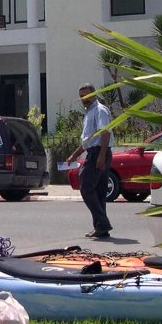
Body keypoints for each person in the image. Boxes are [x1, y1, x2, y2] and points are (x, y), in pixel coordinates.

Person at [67, 83, 113, 239]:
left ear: (94, 94)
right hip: (94, 151)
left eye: (86, 95)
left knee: (85, 186)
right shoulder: (89, 113)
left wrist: (101, 156)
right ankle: (101, 228)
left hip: (99, 153)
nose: (83, 99)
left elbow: (105, 133)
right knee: (99, 191)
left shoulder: (100, 110)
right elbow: (88, 140)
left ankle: (103, 223)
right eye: (81, 96)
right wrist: (74, 155)